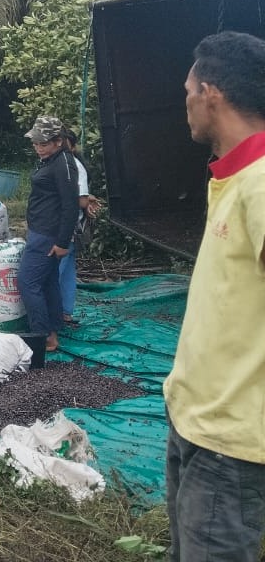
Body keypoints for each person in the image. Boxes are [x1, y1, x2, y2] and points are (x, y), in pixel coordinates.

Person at [164, 31, 265, 562]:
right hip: (195, 422)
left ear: (211, 93)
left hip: (231, 441)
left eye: (187, 93)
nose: (186, 106)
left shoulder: (262, 182)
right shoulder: (233, 177)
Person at [17, 116, 78, 354]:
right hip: (40, 231)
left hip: (47, 234)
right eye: (35, 144)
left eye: (43, 144)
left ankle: (40, 337)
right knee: (48, 282)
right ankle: (52, 333)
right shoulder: (50, 160)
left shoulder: (64, 164)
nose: (38, 148)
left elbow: (71, 205)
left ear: (58, 141)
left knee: (28, 282)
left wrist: (62, 242)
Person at [58, 128, 100, 325]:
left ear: (71, 146)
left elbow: (81, 200)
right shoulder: (65, 164)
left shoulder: (73, 166)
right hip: (70, 227)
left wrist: (87, 199)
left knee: (57, 270)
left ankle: (55, 316)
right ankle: (65, 312)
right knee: (66, 271)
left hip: (68, 228)